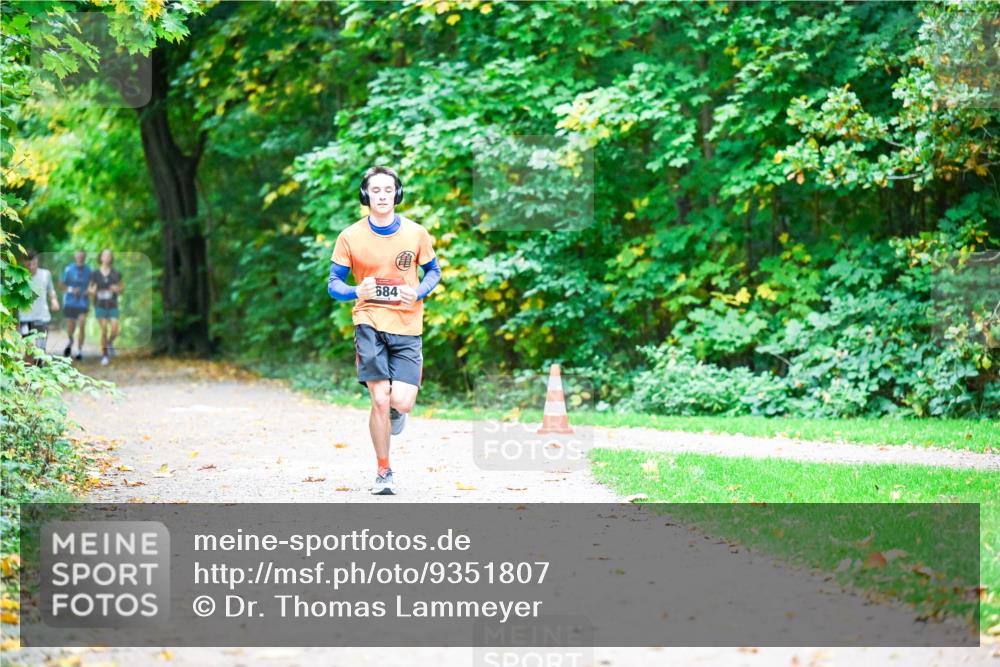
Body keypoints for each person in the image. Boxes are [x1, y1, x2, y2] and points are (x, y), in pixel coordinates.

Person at [327, 166, 442, 495]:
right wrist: (355, 291)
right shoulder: (350, 236)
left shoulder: (416, 233)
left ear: (397, 194)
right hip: (369, 320)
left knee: (400, 402)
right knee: (379, 398)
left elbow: (434, 272)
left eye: (387, 190)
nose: (381, 196)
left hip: (407, 323)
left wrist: (417, 292)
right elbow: (334, 284)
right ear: (366, 195)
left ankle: (394, 411)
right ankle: (383, 471)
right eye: (375, 190)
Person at [18, 251, 60, 357]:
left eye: (34, 264)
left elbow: (51, 289)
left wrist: (54, 300)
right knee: (28, 350)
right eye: (28, 265)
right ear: (23, 263)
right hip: (25, 318)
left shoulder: (46, 274)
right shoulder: (18, 275)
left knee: (41, 349)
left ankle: (40, 365)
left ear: (37, 262)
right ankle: (29, 367)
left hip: (41, 317)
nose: (31, 267)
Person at [89, 249, 123, 366]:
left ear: (111, 258)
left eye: (109, 255)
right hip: (100, 305)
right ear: (101, 257)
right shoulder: (95, 273)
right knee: (104, 329)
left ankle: (109, 343)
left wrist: (116, 289)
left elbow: (122, 288)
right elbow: (89, 289)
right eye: (105, 255)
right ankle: (105, 356)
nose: (107, 257)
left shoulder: (116, 273)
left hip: (113, 304)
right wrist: (93, 291)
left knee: (115, 330)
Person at [60, 250, 92, 360]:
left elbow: (92, 285)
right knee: (71, 325)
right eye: (78, 256)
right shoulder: (68, 269)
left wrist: (89, 290)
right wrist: (71, 290)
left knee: (82, 324)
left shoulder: (89, 270)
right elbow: (61, 285)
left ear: (85, 257)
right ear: (75, 256)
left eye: (82, 256)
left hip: (83, 302)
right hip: (71, 302)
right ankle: (70, 340)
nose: (80, 258)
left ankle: (79, 351)